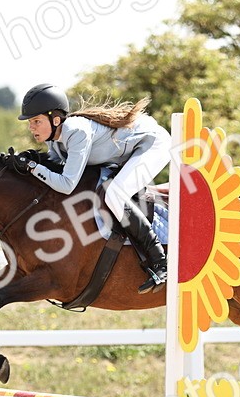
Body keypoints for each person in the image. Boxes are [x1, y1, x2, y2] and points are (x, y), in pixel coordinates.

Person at [10, 83, 170, 294]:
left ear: (55, 120)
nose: (31, 127)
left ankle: (160, 261)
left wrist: (32, 167)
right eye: (31, 122)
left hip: (152, 145)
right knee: (111, 192)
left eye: (36, 121)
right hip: (130, 151)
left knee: (114, 195)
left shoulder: (76, 131)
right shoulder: (55, 139)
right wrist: (30, 161)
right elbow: (55, 168)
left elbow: (66, 184)